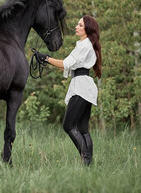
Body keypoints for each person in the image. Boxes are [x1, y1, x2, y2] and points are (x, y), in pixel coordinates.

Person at [35, 15, 102, 165]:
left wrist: (45, 58)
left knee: (69, 125)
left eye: (80, 25)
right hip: (86, 86)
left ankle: (86, 159)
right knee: (83, 128)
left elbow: (65, 64)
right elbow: (70, 65)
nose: (76, 27)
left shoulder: (84, 46)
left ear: (88, 29)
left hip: (81, 88)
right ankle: (88, 163)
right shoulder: (86, 44)